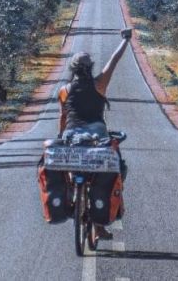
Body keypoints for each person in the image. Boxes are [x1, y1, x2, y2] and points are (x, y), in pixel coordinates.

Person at [57, 27, 133, 239]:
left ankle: (73, 193)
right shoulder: (100, 84)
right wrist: (125, 40)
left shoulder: (64, 91)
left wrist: (60, 138)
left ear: (72, 69)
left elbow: (63, 118)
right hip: (97, 137)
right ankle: (99, 225)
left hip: (72, 136)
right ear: (90, 68)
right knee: (116, 168)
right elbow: (114, 60)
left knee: (70, 168)